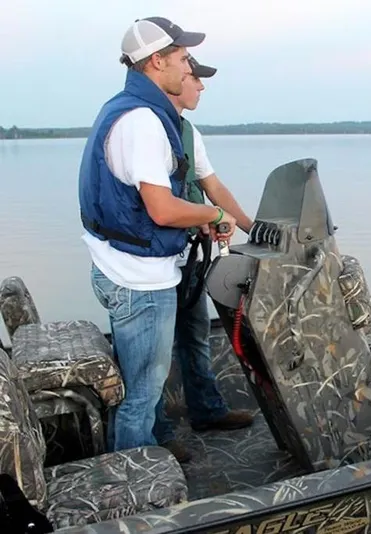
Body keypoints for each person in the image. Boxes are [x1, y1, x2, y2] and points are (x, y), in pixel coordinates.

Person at [78, 16, 237, 453]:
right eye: (183, 59)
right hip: (139, 279)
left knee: (141, 389)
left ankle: (151, 451)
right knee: (142, 396)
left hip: (122, 266)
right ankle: (137, 482)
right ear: (156, 61)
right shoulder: (143, 121)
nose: (189, 70)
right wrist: (213, 213)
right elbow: (162, 210)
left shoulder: (127, 109)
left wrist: (216, 216)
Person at [152, 54, 255, 462]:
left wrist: (251, 226)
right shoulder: (145, 127)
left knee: (195, 337)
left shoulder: (188, 132)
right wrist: (208, 217)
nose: (201, 86)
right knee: (153, 356)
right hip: (150, 266)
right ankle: (157, 439)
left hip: (187, 260)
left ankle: (207, 411)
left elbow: (213, 186)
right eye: (195, 77)